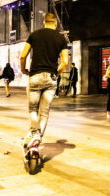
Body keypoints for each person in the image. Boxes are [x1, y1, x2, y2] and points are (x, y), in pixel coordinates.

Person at [20, 12, 69, 149]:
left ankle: (35, 134)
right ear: (55, 24)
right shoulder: (61, 39)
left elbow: (23, 56)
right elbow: (65, 62)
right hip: (51, 78)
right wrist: (56, 73)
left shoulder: (34, 35)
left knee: (32, 109)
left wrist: (24, 70)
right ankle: (37, 138)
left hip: (35, 76)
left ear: (44, 22)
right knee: (44, 112)